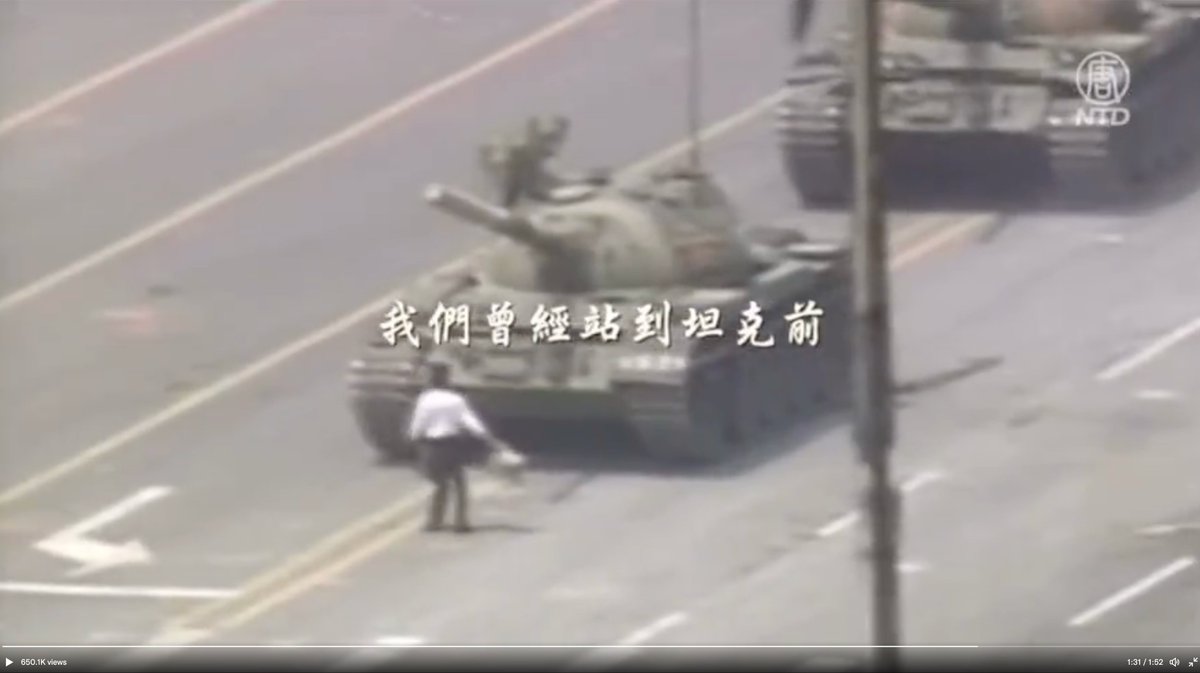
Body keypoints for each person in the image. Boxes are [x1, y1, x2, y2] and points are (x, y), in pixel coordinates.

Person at [407, 362, 496, 533]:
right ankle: (460, 522)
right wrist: (488, 438)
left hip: (432, 445)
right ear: (447, 379)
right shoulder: (456, 399)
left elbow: (418, 424)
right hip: (452, 445)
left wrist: (414, 440)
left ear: (430, 380)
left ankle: (434, 522)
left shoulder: (425, 400)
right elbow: (470, 422)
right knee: (459, 485)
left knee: (439, 485)